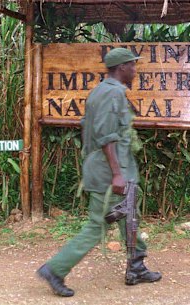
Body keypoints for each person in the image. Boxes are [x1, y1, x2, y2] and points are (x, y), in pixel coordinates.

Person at [37, 48, 162, 297]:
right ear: (121, 68)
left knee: (130, 219)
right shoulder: (111, 93)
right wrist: (116, 174)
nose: (135, 71)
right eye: (132, 66)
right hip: (109, 174)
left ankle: (136, 267)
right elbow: (106, 136)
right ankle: (55, 269)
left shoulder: (103, 91)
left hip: (118, 169)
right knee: (98, 225)